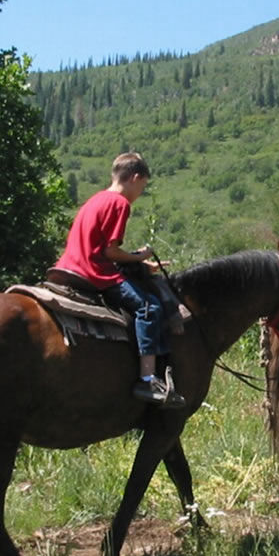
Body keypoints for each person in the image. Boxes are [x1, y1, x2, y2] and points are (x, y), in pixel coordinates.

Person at [53, 152, 185, 406]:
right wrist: (140, 257)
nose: (140, 193)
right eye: (143, 186)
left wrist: (137, 260)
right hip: (95, 271)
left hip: (69, 265)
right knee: (149, 307)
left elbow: (99, 245)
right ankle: (147, 378)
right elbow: (109, 252)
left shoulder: (96, 199)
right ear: (135, 178)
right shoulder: (120, 204)